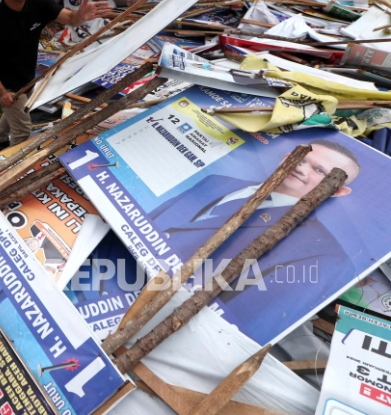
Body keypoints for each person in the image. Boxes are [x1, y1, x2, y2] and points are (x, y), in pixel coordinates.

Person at [148, 140, 360, 341]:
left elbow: (246, 321)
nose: (302, 169)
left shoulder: (323, 255)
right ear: (287, 157)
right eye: (302, 160)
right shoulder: (219, 181)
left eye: (319, 171)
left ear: (338, 190)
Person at [0, 0, 112, 150]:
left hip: (29, 79)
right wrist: (2, 92)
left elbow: (70, 18)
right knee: (22, 131)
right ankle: (11, 167)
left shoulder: (38, 3)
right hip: (10, 87)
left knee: (14, 113)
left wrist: (81, 16)